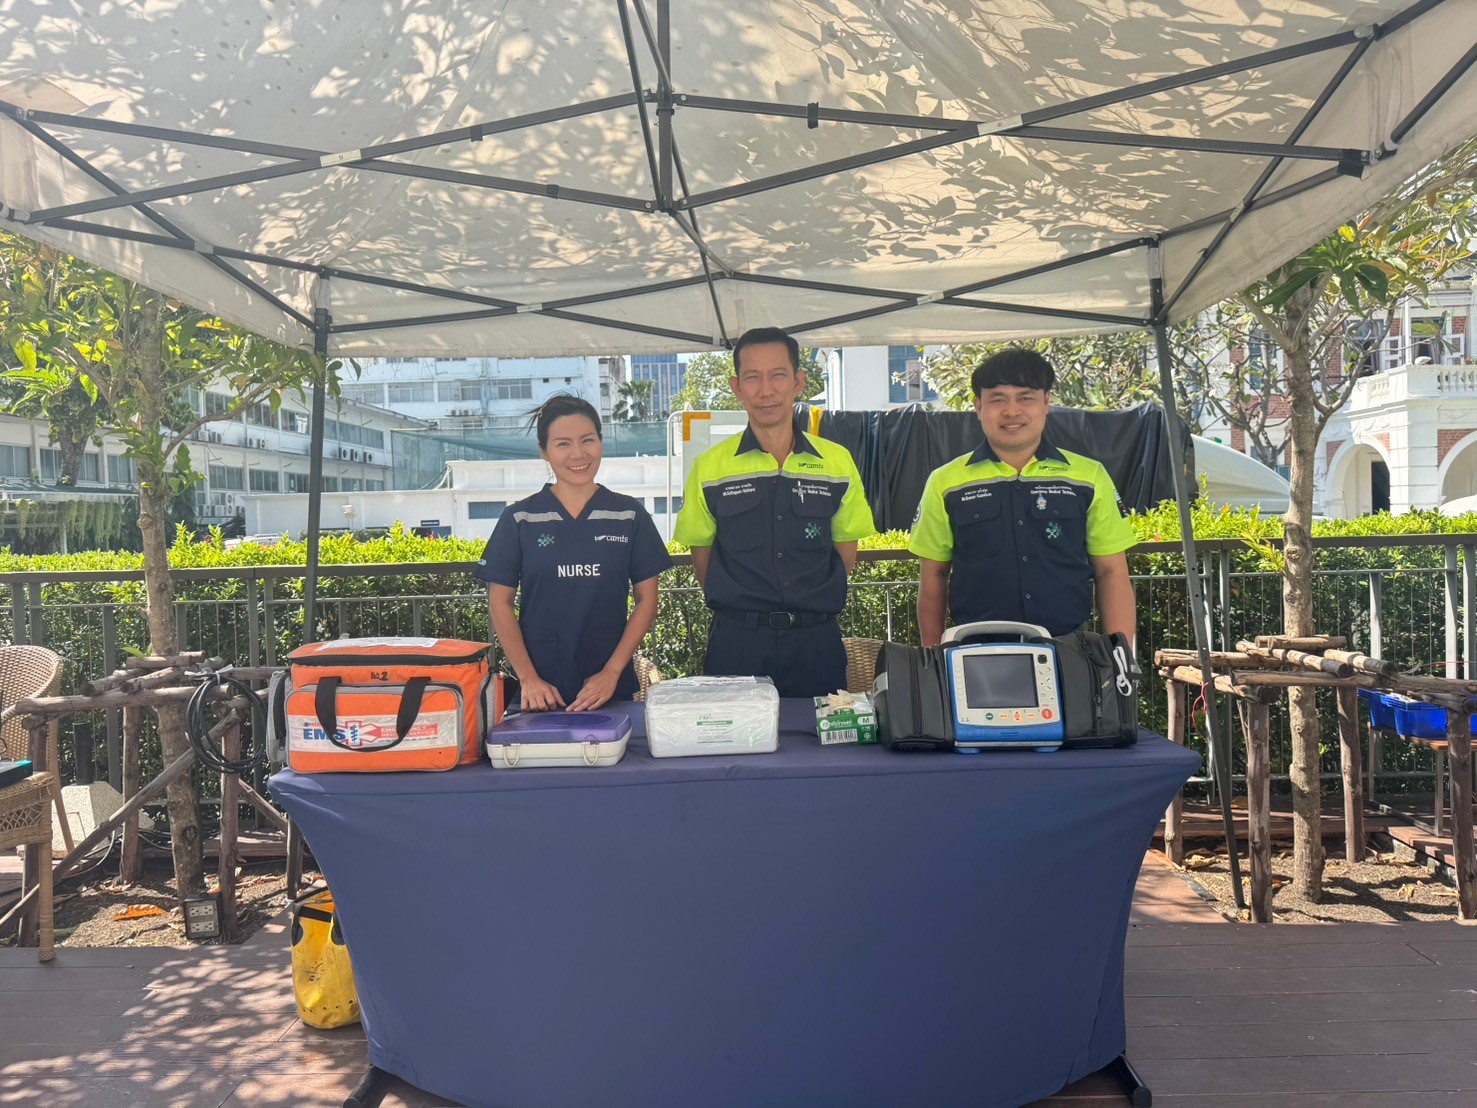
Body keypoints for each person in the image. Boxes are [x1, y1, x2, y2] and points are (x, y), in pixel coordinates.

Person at [674, 327, 876, 698]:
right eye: (753, 377)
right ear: (737, 387)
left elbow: (846, 551)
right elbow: (702, 558)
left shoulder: (837, 462)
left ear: (799, 382)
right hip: (737, 643)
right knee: (734, 736)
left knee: (820, 736)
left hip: (816, 643)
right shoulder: (710, 468)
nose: (766, 391)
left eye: (778, 375)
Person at [909, 348, 1137, 647]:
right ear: (979, 406)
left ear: (1046, 402)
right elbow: (934, 576)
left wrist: (1120, 655)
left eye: (1025, 398)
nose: (1012, 411)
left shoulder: (1089, 476)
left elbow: (1111, 572)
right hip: (977, 652)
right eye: (998, 399)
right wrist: (932, 656)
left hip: (1068, 650)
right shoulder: (945, 481)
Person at [476, 395, 672, 711]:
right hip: (540, 694)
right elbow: (499, 603)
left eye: (587, 440)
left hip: (609, 691)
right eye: (563, 444)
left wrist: (612, 672)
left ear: (601, 442)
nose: (578, 454)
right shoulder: (520, 519)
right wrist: (528, 678)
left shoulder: (629, 515)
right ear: (544, 451)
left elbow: (647, 601)